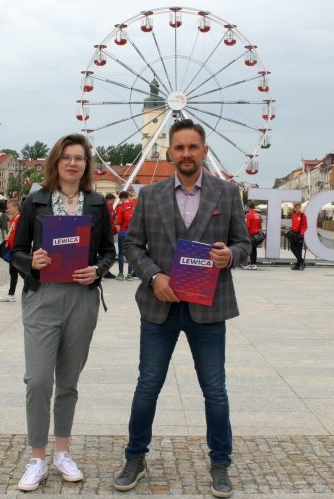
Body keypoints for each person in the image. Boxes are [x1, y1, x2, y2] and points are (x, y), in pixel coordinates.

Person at [114, 119, 250, 498]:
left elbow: (244, 243)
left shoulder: (227, 193)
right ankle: (135, 456)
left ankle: (220, 462)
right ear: (170, 152)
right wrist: (154, 277)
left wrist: (231, 256)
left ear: (204, 151)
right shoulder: (150, 195)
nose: (187, 154)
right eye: (180, 148)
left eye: (193, 147)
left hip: (208, 308)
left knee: (215, 390)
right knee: (147, 387)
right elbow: (132, 246)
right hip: (160, 306)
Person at [11, 133, 116, 491]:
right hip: (43, 296)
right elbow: (15, 251)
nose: (73, 163)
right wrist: (32, 261)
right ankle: (37, 458)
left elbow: (109, 252)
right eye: (67, 157)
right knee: (38, 379)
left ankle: (62, 451)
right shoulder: (36, 201)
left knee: (68, 381)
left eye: (80, 158)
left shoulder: (98, 203)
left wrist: (98, 270)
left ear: (87, 165)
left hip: (82, 298)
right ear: (55, 162)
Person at [0, 198, 21, 302]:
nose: (8, 210)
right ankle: (11, 294)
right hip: (13, 250)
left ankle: (34, 290)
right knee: (14, 272)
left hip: (16, 250)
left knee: (21, 272)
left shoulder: (19, 219)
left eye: (9, 207)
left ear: (15, 207)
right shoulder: (14, 219)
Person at [114, 191, 136, 280]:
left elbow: (118, 222)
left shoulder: (120, 207)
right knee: (130, 253)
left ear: (122, 198)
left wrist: (119, 230)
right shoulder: (134, 204)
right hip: (132, 233)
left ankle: (121, 274)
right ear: (128, 196)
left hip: (123, 232)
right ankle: (130, 274)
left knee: (121, 254)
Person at [103, 193, 118, 279]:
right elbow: (109, 221)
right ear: (109, 200)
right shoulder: (106, 208)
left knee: (108, 251)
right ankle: (105, 271)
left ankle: (106, 270)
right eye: (112, 200)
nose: (113, 202)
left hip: (109, 231)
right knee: (107, 251)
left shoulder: (110, 207)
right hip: (107, 232)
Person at [288, 202, 308, 270]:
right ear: (294, 208)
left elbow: (305, 226)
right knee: (292, 248)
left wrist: (302, 233)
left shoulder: (303, 216)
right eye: (296, 208)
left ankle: (298, 265)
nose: (298, 209)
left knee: (299, 250)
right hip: (294, 234)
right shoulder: (293, 216)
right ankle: (302, 261)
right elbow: (293, 225)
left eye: (299, 208)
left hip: (300, 234)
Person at [245, 201, 263, 270]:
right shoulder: (258, 215)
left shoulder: (248, 215)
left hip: (251, 235)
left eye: (246, 207)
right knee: (254, 249)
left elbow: (248, 226)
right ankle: (253, 264)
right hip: (257, 235)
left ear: (248, 207)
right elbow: (259, 225)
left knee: (250, 249)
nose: (246, 208)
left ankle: (251, 264)